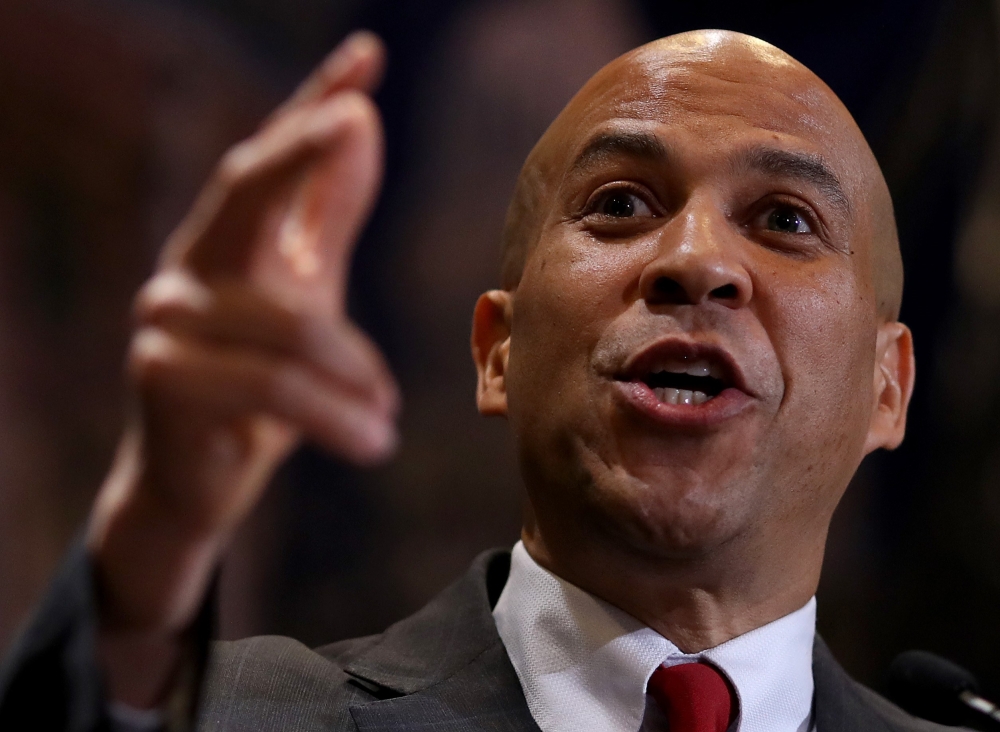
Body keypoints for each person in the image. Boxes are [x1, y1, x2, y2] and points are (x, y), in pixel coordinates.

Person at [0, 27, 933, 732]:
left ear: (886, 390)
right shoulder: (240, 713)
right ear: (498, 352)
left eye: (785, 220)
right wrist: (157, 525)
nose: (695, 259)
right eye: (620, 203)